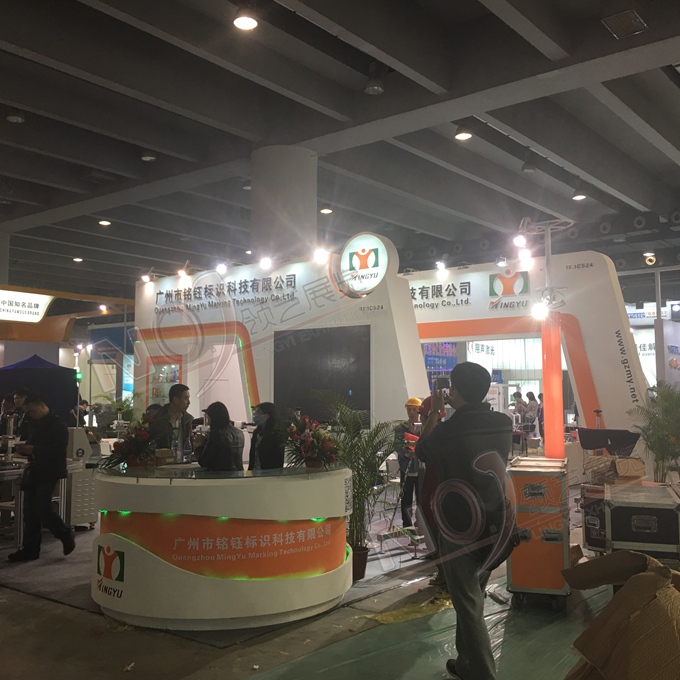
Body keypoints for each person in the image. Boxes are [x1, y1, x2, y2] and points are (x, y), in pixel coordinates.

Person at [416, 362, 513, 680]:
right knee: (472, 598)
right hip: (497, 522)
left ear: (454, 391)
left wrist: (434, 412)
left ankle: (484, 674)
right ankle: (466, 664)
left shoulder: (451, 428)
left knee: (469, 605)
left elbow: (423, 451)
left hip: (460, 525)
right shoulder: (502, 423)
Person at [8, 394, 75, 562]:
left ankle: (65, 534)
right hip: (35, 470)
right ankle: (30, 549)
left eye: (32, 411)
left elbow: (58, 449)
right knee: (30, 511)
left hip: (50, 471)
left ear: (41, 406)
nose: (30, 415)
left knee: (43, 508)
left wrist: (32, 449)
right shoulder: (34, 423)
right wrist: (24, 449)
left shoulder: (57, 424)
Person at [393, 397, 423, 530]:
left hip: (421, 467)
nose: (411, 412)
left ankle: (421, 523)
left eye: (414, 409)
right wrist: (406, 453)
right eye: (409, 409)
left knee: (421, 497)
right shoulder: (401, 428)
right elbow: (397, 445)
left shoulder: (424, 427)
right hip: (406, 467)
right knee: (406, 498)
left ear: (419, 411)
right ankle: (407, 524)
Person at [195, 402, 244, 472]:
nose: (208, 422)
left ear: (214, 418)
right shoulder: (239, 433)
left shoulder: (216, 434)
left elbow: (203, 461)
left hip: (220, 475)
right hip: (238, 474)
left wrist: (199, 444)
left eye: (208, 418)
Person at [148, 384, 193, 452]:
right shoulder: (158, 420)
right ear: (175, 400)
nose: (189, 402)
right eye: (186, 398)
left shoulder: (188, 419)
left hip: (183, 458)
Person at [248, 402, 285, 471]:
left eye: (258, 413)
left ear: (266, 416)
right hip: (254, 471)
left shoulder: (276, 434)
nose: (255, 415)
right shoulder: (256, 432)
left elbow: (278, 458)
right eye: (255, 412)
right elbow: (253, 454)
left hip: (269, 473)